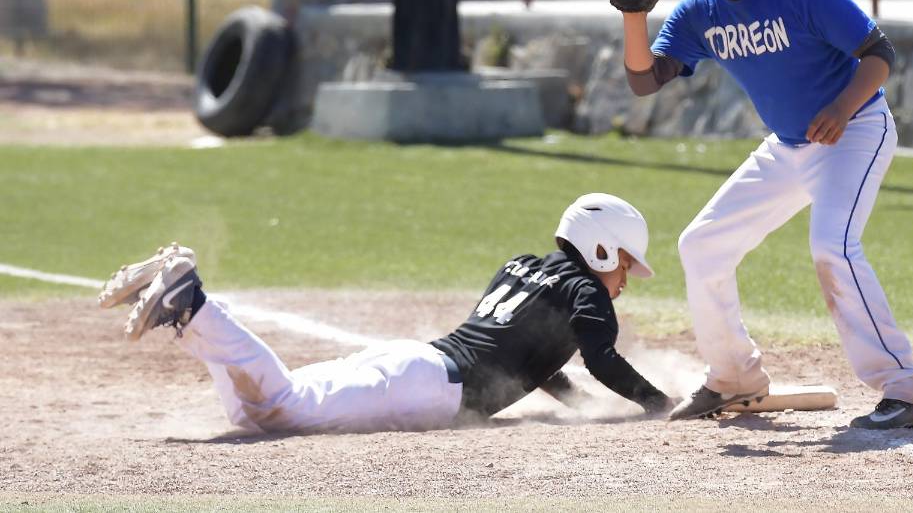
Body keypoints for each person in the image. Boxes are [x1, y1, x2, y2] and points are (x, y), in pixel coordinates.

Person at [618, 0, 913, 429]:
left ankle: (908, 389)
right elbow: (647, 82)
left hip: (854, 132)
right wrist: (632, 12)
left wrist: (841, 108)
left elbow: (879, 54)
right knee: (702, 244)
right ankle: (733, 378)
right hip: (789, 146)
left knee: (832, 245)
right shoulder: (700, 10)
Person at [97, 193, 673, 433]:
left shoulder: (525, 265)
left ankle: (186, 310)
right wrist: (662, 405)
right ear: (599, 246)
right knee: (282, 408)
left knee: (253, 417)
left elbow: (528, 360)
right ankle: (192, 301)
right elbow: (602, 358)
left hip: (415, 360)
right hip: (429, 389)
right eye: (624, 264)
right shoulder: (586, 293)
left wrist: (584, 409)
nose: (624, 279)